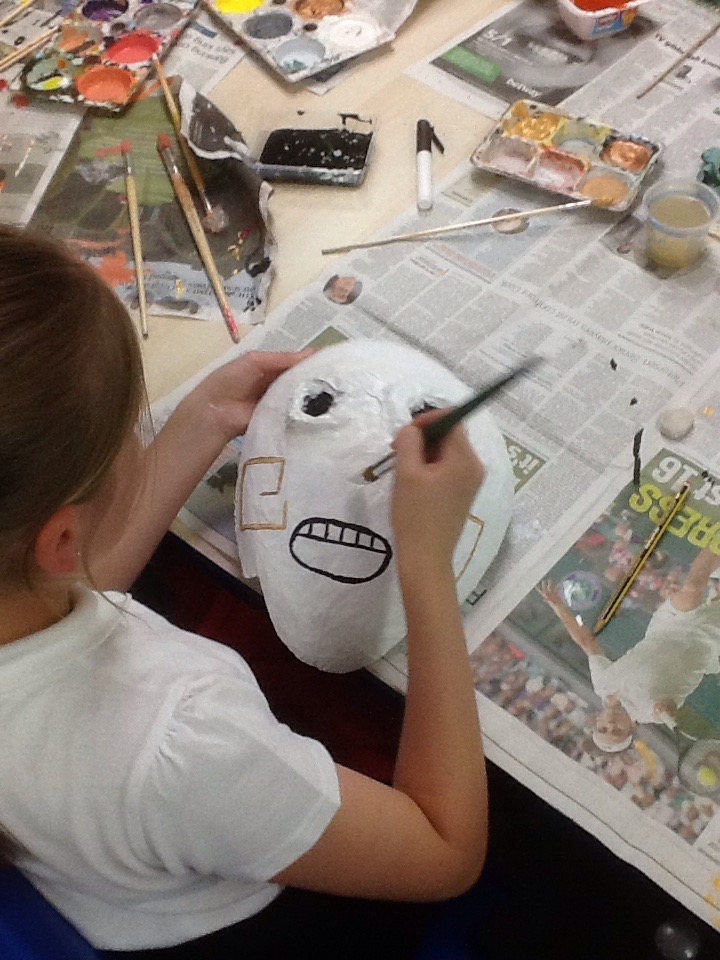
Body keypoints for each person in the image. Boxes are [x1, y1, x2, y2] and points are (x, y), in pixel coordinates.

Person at [0, 226, 488, 958]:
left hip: (120, 875)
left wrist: (201, 420)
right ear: (62, 538)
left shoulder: (27, 609)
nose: (139, 433)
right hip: (276, 919)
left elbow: (72, 587)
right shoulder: (186, 743)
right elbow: (444, 851)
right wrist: (427, 564)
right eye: (130, 426)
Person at [537, 546, 720, 750]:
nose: (610, 725)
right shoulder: (650, 713)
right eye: (617, 731)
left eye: (603, 728)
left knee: (692, 588)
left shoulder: (602, 684)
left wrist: (557, 605)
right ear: (631, 728)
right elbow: (667, 707)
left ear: (597, 720)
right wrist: (666, 709)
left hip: (667, 626)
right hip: (710, 643)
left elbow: (586, 642)